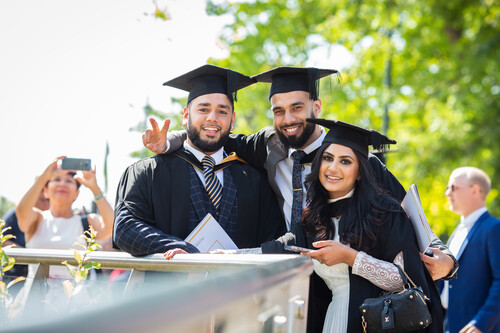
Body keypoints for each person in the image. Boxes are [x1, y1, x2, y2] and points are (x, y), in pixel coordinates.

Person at [143, 66, 457, 332]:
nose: (288, 119)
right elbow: (211, 133)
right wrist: (167, 141)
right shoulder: (268, 146)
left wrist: (447, 259)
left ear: (316, 107)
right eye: (278, 110)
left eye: (297, 108)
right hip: (293, 276)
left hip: (361, 291)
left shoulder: (358, 160)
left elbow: (409, 215)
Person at [113, 64, 286, 258]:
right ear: (186, 116)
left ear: (232, 120)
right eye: (203, 109)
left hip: (237, 287)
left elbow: (273, 238)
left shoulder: (254, 181)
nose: (212, 118)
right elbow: (125, 228)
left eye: (222, 111)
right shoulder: (148, 172)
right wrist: (178, 249)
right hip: (168, 285)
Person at [298, 118, 443, 332]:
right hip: (334, 319)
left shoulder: (384, 211)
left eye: (345, 161)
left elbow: (406, 281)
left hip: (378, 322)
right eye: (328, 158)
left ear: (359, 172)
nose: (333, 167)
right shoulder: (315, 216)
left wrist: (351, 257)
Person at [16, 157, 113, 278]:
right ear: (45, 191)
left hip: (76, 295)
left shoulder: (87, 222)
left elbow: (110, 228)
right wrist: (44, 177)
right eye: (56, 179)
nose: (62, 184)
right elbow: (21, 211)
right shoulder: (37, 218)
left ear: (76, 194)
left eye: (69, 181)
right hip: (35, 295)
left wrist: (95, 188)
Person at [440, 167, 500, 333]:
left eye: (453, 187)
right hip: (449, 325)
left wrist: (481, 323)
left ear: (475, 190)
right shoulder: (456, 232)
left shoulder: (494, 228)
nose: (447, 193)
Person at [2, 189, 50, 278]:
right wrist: (27, 254)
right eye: (43, 200)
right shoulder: (16, 214)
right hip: (13, 272)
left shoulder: (48, 220)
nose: (48, 204)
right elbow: (3, 241)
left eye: (49, 200)